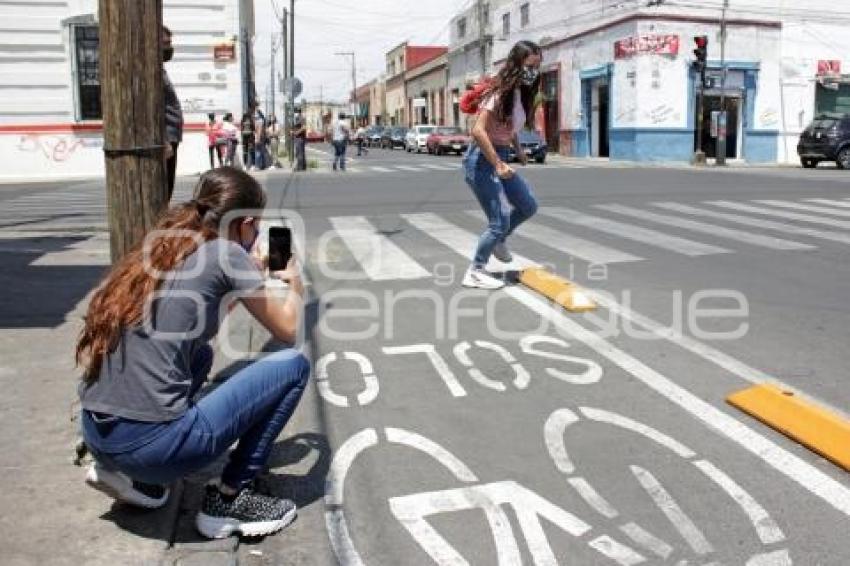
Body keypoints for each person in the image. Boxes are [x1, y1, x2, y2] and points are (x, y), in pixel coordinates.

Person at [77, 167, 309, 539]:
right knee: (293, 365)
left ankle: (132, 478)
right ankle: (230, 497)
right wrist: (293, 277)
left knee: (197, 357)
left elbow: (198, 317)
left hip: (98, 433)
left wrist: (248, 276)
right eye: (255, 228)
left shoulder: (168, 245)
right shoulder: (226, 253)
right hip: (153, 448)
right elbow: (288, 330)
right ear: (245, 222)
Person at [462, 40, 542, 290]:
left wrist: (518, 151)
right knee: (499, 220)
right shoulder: (499, 92)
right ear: (516, 64)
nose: (534, 71)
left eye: (537, 66)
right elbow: (478, 130)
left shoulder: (519, 94)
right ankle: (475, 270)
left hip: (502, 156)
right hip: (481, 160)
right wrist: (497, 163)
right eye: (530, 65)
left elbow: (508, 126)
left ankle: (498, 241)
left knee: (528, 205)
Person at [163, 26, 183, 200]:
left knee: (168, 187)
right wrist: (164, 140)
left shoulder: (160, 70)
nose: (170, 48)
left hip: (171, 137)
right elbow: (154, 106)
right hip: (166, 139)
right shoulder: (152, 71)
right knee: (164, 187)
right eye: (166, 43)